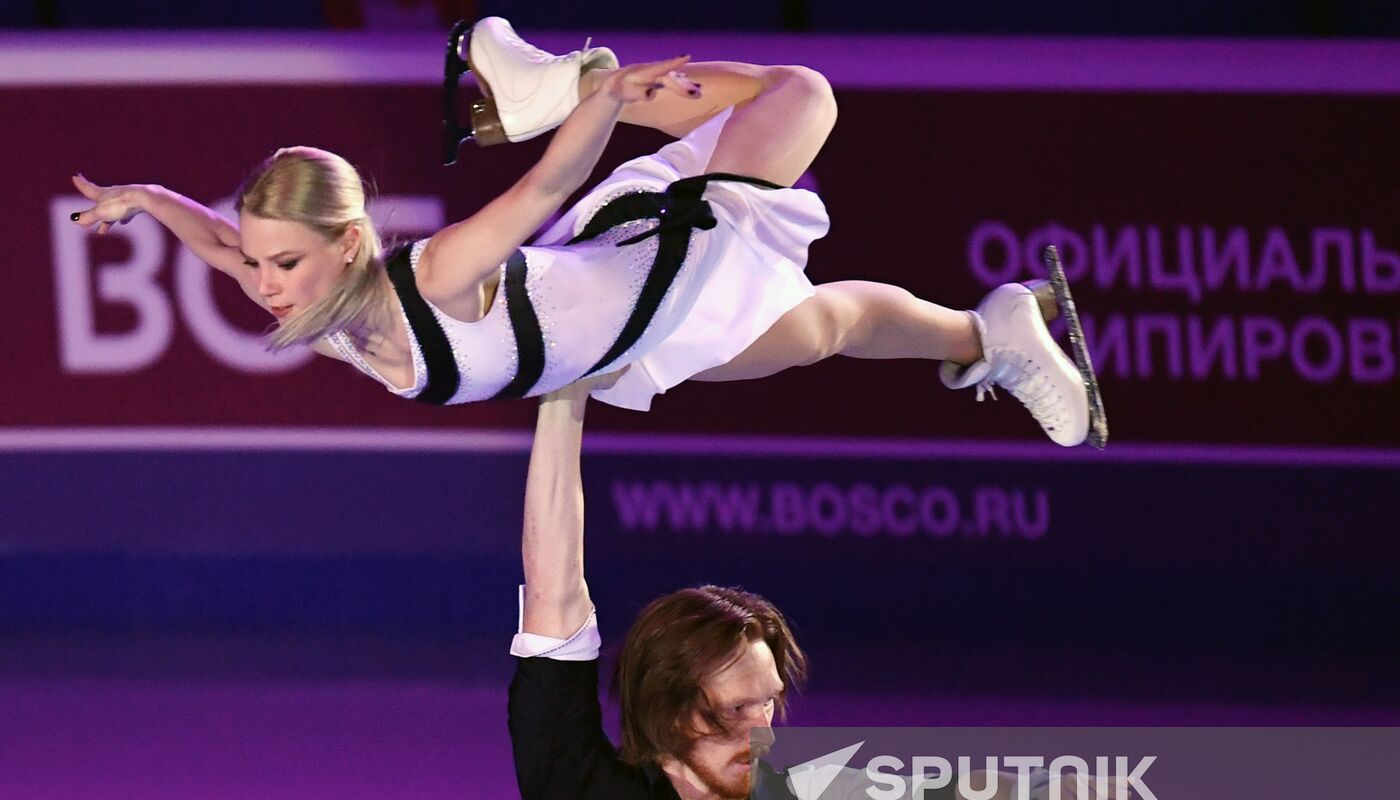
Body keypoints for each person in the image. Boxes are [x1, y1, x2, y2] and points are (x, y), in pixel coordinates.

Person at [70, 17, 1099, 446]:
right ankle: (989, 332)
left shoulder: (429, 278)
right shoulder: (326, 308)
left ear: (346, 244)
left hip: (662, 258)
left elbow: (542, 195)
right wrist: (150, 200)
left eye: (281, 262)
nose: (260, 284)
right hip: (631, 335)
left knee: (802, 94)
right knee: (821, 329)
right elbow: (218, 242)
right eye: (258, 264)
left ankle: (556, 79)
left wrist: (592, 104)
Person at [508, 372, 1123, 800]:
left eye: (768, 705)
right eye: (733, 711)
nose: (761, 732)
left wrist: (1020, 798)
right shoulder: (576, 786)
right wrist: (568, 388)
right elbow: (554, 591)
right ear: (667, 710)